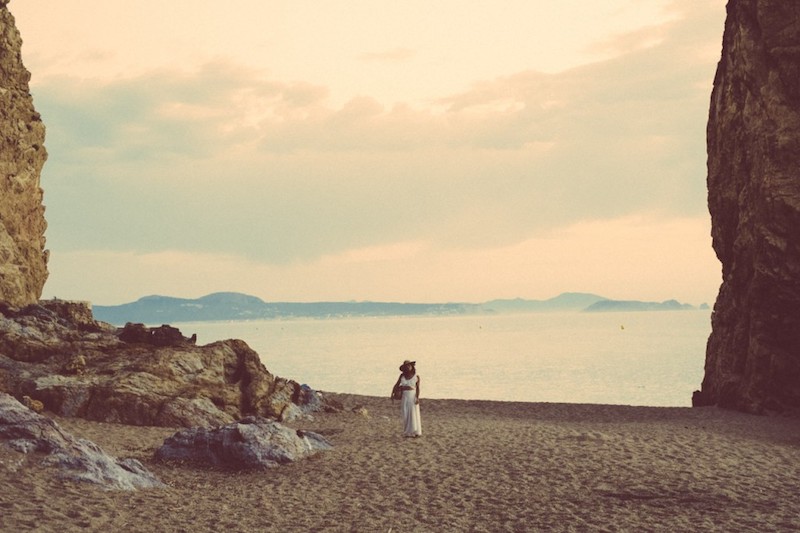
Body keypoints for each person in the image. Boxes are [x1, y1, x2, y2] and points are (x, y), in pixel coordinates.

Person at [391, 360, 422, 438]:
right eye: (406, 366)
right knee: (405, 412)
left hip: (412, 395)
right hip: (405, 395)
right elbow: (397, 384)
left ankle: (415, 431)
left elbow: (418, 388)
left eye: (409, 366)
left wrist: (417, 398)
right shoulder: (402, 376)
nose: (408, 367)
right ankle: (407, 432)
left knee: (413, 413)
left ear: (412, 367)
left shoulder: (416, 376)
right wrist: (392, 393)